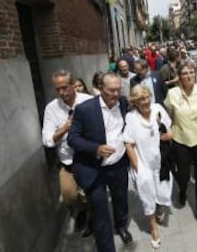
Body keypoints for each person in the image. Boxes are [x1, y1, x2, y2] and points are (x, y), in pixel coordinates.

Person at [68, 73, 132, 252]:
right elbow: (72, 139)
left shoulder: (124, 103)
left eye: (118, 89)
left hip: (118, 165)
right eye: (111, 90)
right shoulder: (85, 109)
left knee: (121, 200)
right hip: (94, 168)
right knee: (100, 212)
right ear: (101, 89)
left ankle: (121, 226)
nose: (115, 94)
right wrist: (95, 148)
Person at [164, 61, 197, 235]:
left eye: (191, 72)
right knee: (184, 175)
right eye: (184, 73)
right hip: (181, 141)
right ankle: (183, 189)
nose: (188, 76)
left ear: (195, 74)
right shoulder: (172, 94)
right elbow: (169, 117)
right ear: (179, 76)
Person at [42, 70, 93, 237]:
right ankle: (83, 210)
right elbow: (48, 140)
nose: (62, 92)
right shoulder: (51, 108)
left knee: (93, 192)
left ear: (73, 85)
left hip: (88, 159)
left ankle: (93, 219)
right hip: (67, 161)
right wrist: (65, 128)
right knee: (69, 196)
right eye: (57, 89)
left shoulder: (89, 101)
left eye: (65, 87)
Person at [123, 85, 173, 249]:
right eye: (140, 99)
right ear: (134, 102)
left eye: (146, 97)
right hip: (143, 164)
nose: (145, 102)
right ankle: (153, 228)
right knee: (147, 197)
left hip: (160, 161)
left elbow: (170, 130)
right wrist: (139, 169)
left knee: (162, 191)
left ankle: (159, 207)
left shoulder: (158, 109)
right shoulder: (131, 117)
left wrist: (167, 135)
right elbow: (128, 144)